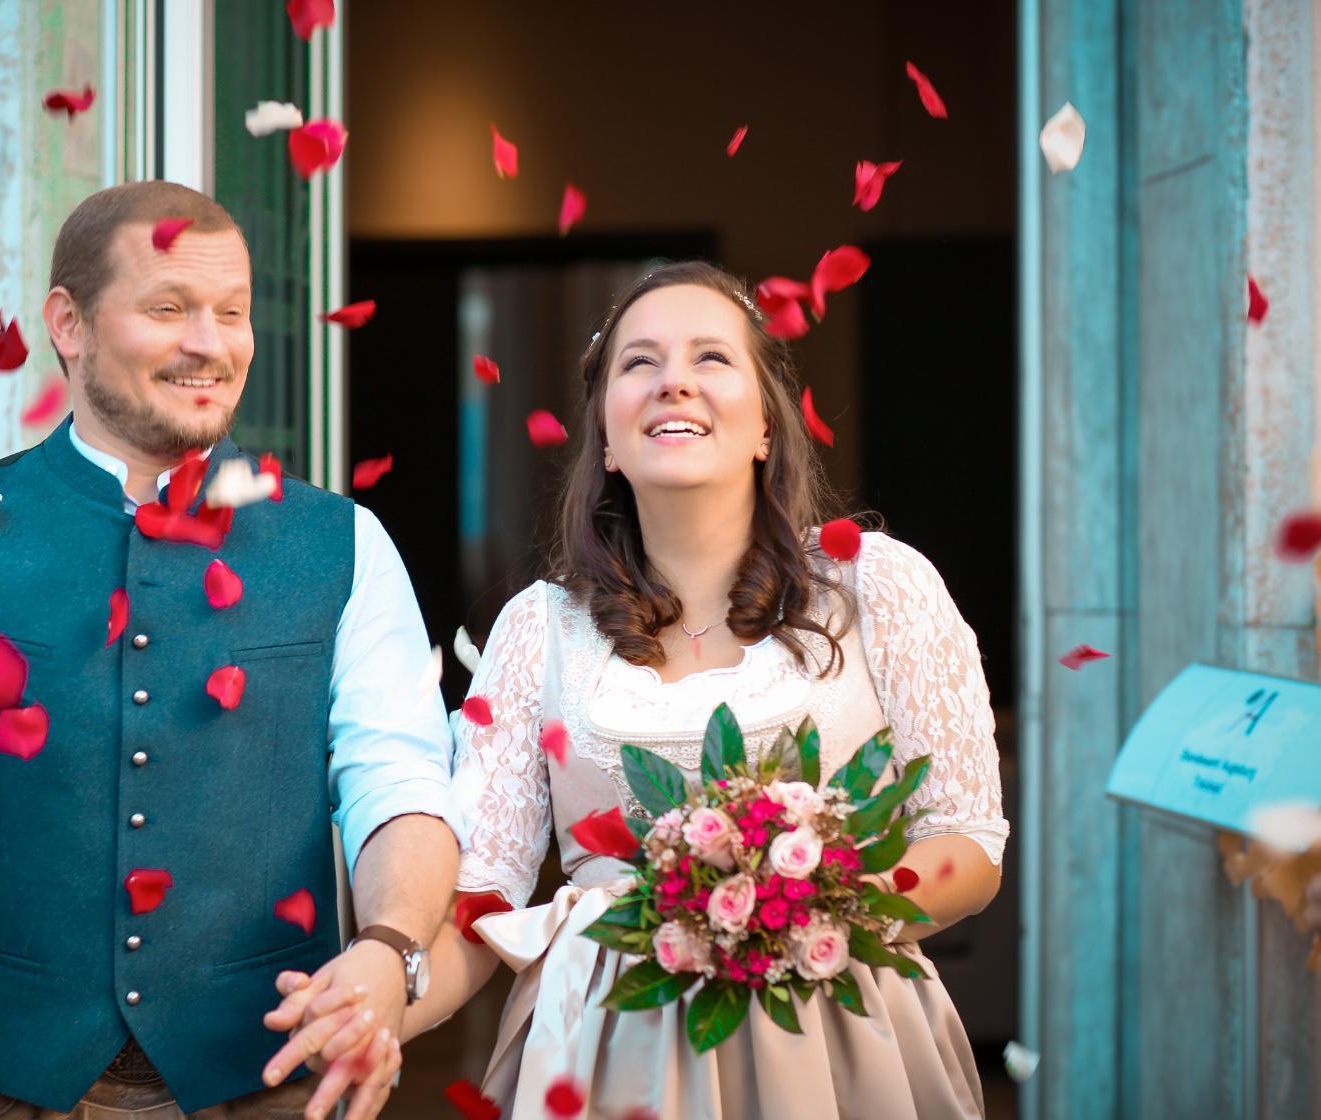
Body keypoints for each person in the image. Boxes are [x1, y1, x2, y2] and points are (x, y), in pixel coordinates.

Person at [0, 183, 460, 1120]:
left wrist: (390, 944)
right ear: (68, 324)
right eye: (168, 308)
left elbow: (397, 785)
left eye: (232, 312)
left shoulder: (346, 545)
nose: (211, 341)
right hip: (2, 1095)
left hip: (268, 1088)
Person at [278, 261, 1009, 1116]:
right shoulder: (538, 629)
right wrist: (379, 1008)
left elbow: (967, 844)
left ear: (767, 424)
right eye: (640, 364)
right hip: (606, 1059)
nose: (674, 384)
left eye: (711, 358)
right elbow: (483, 901)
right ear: (607, 436)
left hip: (839, 1050)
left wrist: (790, 914)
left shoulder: (875, 585)